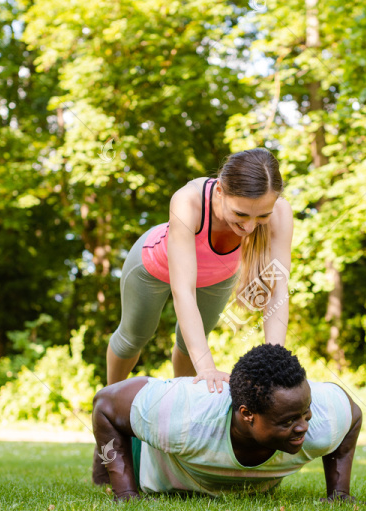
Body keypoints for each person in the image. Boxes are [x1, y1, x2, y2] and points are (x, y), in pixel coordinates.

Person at [106, 148, 294, 393]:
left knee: (189, 346)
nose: (249, 227)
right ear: (220, 192)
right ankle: (108, 403)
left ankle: (183, 409)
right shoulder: (188, 201)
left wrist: (274, 361)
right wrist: (207, 368)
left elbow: (277, 290)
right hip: (152, 266)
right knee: (135, 337)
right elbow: (183, 290)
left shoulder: (280, 212)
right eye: (240, 214)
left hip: (216, 277)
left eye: (261, 217)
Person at [91, 344, 363, 502]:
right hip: (148, 456)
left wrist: (339, 492)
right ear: (247, 414)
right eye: (289, 421)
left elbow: (354, 416)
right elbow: (104, 404)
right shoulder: (185, 416)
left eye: (305, 413)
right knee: (120, 419)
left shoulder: (323, 421)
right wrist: (124, 488)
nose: (303, 426)